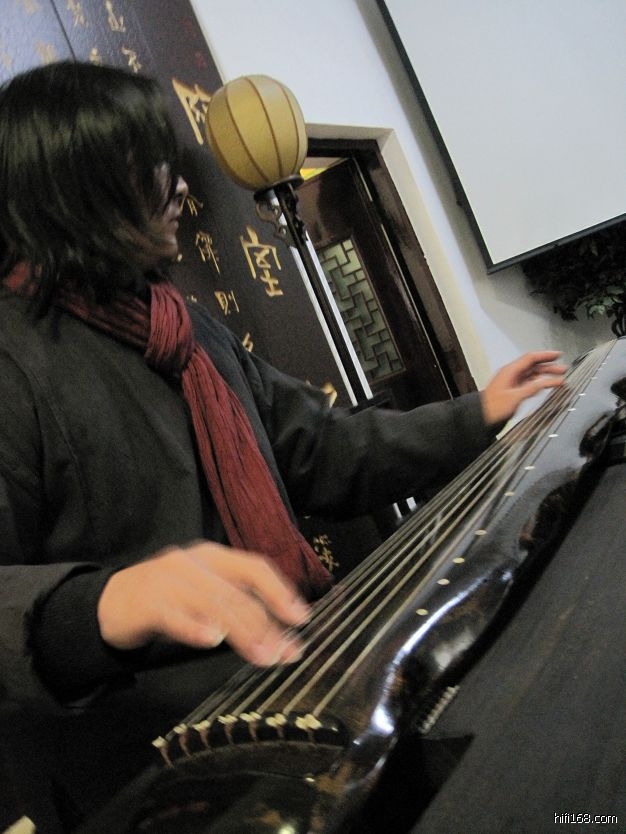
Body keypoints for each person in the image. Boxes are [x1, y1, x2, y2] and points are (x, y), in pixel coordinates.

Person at [0, 60, 566, 833]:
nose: (181, 188)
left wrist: (477, 415)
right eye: (151, 168)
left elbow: (322, 451)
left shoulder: (184, 328)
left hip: (291, 693)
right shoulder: (13, 358)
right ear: (78, 188)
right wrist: (100, 605)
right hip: (150, 773)